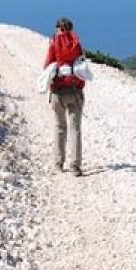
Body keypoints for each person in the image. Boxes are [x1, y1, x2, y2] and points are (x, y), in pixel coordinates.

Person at [44, 17, 85, 177]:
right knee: (75, 129)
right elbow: (82, 64)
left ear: (58, 29)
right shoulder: (77, 44)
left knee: (60, 127)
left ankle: (58, 163)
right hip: (75, 91)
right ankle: (75, 166)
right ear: (70, 29)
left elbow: (47, 65)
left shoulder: (54, 43)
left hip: (58, 93)